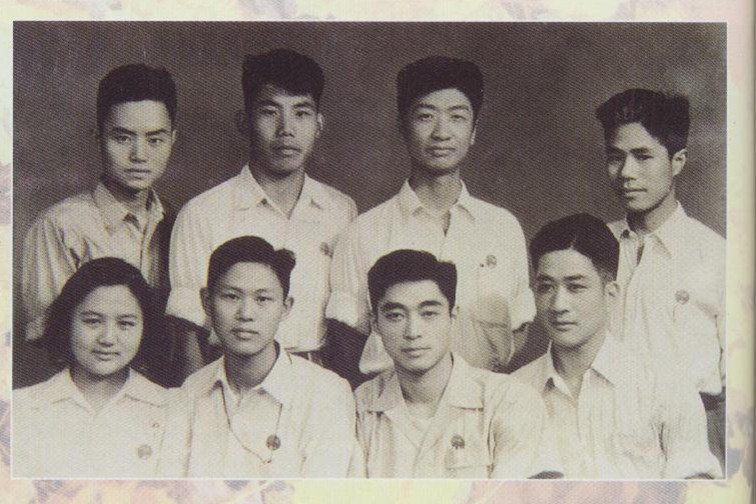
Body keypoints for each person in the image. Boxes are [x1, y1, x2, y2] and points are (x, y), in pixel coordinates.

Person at [328, 56, 533, 386]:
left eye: (457, 117)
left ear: (473, 130)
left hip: (483, 401)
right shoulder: (363, 232)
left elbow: (518, 330)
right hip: (392, 406)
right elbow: (346, 343)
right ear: (402, 127)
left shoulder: (503, 228)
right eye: (426, 116)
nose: (441, 133)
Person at [167, 49, 356, 378]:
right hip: (229, 376)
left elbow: (347, 329)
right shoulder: (202, 213)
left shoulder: (341, 210)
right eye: (270, 112)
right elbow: (188, 336)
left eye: (301, 113)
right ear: (244, 121)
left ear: (319, 124)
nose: (286, 129)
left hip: (317, 377)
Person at [514, 214, 721, 479]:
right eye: (546, 288)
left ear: (610, 294)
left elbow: (697, 487)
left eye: (575, 287)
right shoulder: (513, 393)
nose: (558, 305)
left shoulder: (666, 386)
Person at [595, 89, 726, 467]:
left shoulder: (716, 255)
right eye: (615, 157)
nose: (627, 173)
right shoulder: (593, 248)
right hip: (605, 434)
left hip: (693, 436)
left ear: (677, 161)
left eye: (643, 156)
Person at [160, 236, 359, 478]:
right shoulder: (191, 392)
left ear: (285, 308)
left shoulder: (327, 393)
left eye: (262, 299)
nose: (246, 314)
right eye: (231, 296)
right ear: (207, 303)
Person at [355, 249, 560, 478]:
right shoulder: (360, 408)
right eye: (396, 316)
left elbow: (517, 495)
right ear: (375, 324)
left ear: (452, 316)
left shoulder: (510, 400)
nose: (413, 332)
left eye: (428, 313)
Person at [22, 63, 178, 345]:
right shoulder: (60, 226)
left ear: (172, 139)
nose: (139, 155)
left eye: (155, 140)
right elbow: (47, 338)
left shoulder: (177, 221)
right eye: (122, 138)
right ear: (98, 137)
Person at [13, 258, 169, 478]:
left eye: (125, 324)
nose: (107, 339)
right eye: (92, 321)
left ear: (145, 329)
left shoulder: (170, 409)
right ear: (67, 322)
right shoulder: (20, 409)